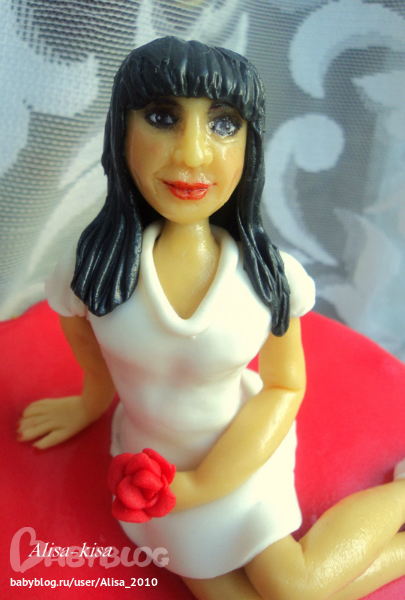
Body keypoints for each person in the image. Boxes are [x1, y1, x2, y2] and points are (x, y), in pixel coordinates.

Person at [18, 37, 405, 600]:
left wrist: (205, 483)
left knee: (292, 589)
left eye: (223, 124)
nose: (194, 154)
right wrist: (87, 405)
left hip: (243, 450)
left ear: (251, 144)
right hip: (153, 464)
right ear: (121, 130)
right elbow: (94, 361)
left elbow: (284, 386)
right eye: (162, 117)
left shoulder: (269, 277)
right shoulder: (89, 273)